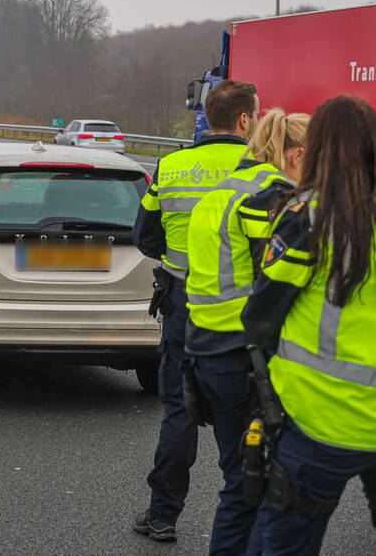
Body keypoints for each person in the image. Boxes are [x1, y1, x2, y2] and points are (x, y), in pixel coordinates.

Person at [242, 95, 376, 554]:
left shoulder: (308, 218)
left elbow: (261, 315)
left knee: (286, 542)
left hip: (318, 420)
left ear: (315, 149)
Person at [131, 79, 259, 542]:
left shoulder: (171, 166)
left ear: (208, 116)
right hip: (241, 314)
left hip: (183, 304)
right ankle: (243, 521)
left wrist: (180, 259)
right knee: (241, 419)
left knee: (178, 412)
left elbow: (143, 237)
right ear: (245, 120)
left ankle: (163, 515)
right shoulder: (258, 169)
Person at [184, 109, 309, 554]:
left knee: (242, 478)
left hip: (207, 350)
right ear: (296, 156)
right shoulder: (271, 198)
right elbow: (284, 278)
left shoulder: (222, 192)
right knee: (252, 484)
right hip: (245, 356)